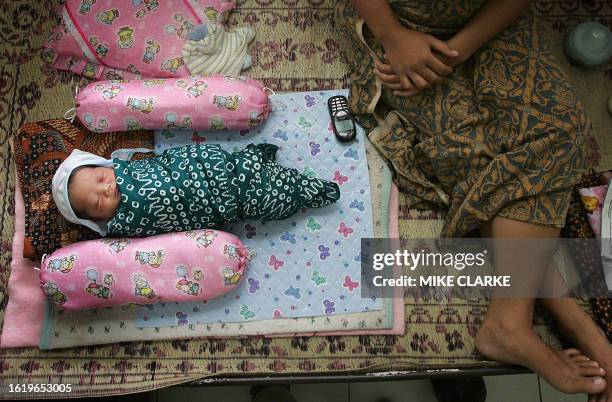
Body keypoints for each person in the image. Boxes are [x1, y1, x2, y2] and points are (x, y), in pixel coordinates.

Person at [336, 0, 612, 400]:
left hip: (487, 22)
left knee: (558, 132)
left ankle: (517, 321)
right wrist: (393, 37)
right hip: (395, 19)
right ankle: (558, 320)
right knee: (467, 147)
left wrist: (459, 50)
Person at [51, 143, 340, 237]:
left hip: (215, 166)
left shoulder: (128, 166)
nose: (107, 188)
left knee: (243, 161)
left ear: (103, 164)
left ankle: (256, 157)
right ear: (97, 220)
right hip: (229, 200)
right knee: (271, 199)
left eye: (101, 177)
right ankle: (305, 190)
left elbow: (170, 160)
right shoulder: (125, 224)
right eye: (97, 202)